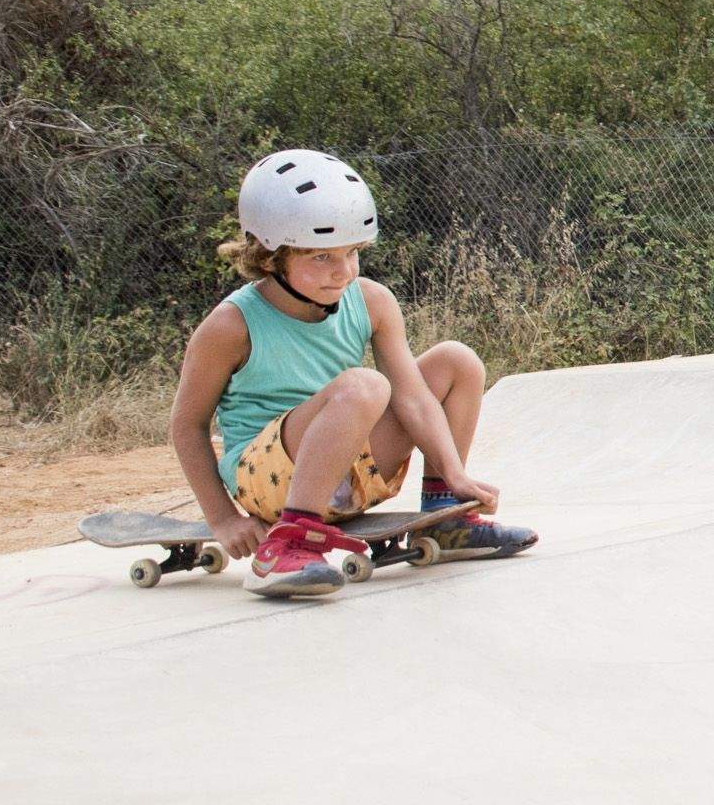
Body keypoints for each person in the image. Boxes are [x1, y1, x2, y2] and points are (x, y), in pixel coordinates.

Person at [164, 148, 537, 600]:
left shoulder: (372, 301)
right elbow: (187, 425)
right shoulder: (231, 325)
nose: (342, 272)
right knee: (366, 384)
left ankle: (446, 519)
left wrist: (455, 474)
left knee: (456, 361)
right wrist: (223, 519)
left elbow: (414, 397)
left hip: (351, 471)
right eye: (321, 257)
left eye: (352, 252)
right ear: (270, 255)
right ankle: (287, 545)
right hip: (267, 482)